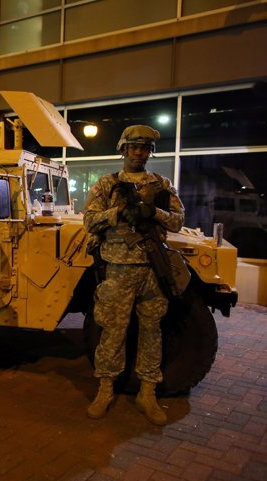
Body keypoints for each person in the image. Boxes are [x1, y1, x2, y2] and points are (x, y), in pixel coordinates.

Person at [83, 125, 185, 426]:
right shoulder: (107, 185)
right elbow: (89, 221)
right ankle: (105, 389)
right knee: (113, 331)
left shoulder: (161, 184)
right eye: (134, 146)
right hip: (118, 269)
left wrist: (153, 213)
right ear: (123, 149)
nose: (139, 152)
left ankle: (147, 391)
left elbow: (178, 221)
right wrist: (118, 213)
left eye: (145, 148)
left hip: (153, 270)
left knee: (152, 332)